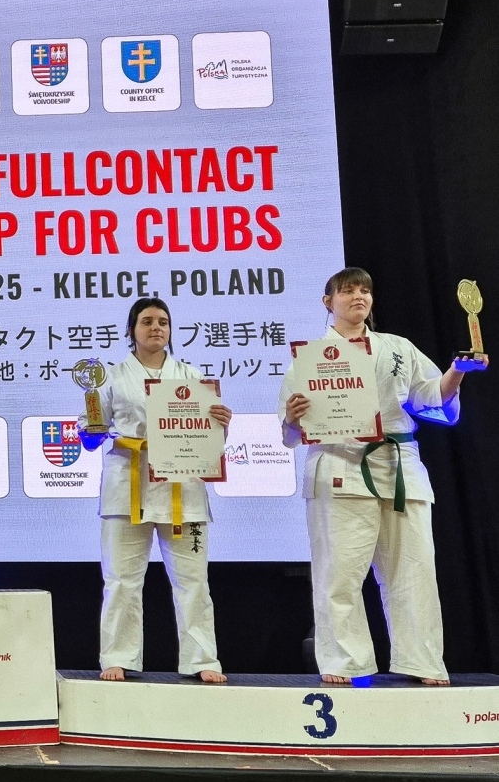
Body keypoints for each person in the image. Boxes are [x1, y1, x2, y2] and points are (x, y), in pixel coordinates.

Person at [279, 266, 482, 685]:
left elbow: (431, 397)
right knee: (340, 573)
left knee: (415, 570)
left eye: (365, 290)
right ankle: (344, 662)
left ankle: (422, 661)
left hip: (399, 461)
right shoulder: (310, 358)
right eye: (348, 290)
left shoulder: (397, 348)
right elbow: (290, 433)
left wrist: (458, 370)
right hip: (339, 463)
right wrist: (293, 418)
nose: (359, 296)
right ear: (328, 302)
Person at [81, 297, 232, 683]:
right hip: (127, 484)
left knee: (193, 581)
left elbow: (209, 441)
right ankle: (118, 656)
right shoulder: (109, 377)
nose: (156, 327)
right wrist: (93, 426)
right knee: (121, 580)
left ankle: (202, 659)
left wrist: (221, 424)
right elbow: (89, 437)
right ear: (131, 330)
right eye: (147, 321)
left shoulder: (191, 376)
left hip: (183, 488)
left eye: (163, 321)